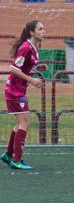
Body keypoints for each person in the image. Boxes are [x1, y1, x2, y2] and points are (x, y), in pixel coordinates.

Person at [1, 20, 48, 170]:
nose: (43, 31)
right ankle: (16, 160)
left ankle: (8, 155)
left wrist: (37, 67)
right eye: (40, 29)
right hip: (14, 91)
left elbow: (25, 66)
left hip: (18, 90)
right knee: (24, 122)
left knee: (20, 123)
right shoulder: (26, 47)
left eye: (43, 29)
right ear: (32, 32)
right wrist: (32, 80)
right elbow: (13, 69)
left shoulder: (34, 47)